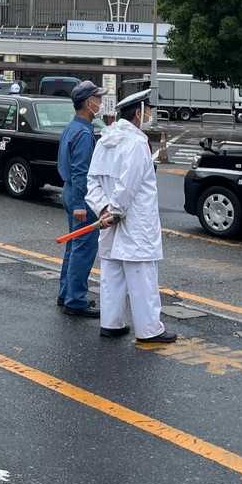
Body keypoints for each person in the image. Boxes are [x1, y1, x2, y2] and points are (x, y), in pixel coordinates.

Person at [87, 89, 175, 343]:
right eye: (148, 112)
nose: (149, 116)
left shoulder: (105, 140)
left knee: (112, 273)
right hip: (134, 221)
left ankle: (111, 323)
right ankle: (149, 329)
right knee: (142, 276)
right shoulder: (136, 143)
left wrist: (103, 209)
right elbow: (129, 185)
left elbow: (92, 181)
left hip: (108, 219)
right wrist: (115, 211)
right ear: (138, 113)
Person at [56, 80, 107, 318]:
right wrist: (80, 205)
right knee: (83, 249)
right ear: (88, 103)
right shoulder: (84, 133)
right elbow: (81, 172)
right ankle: (75, 300)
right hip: (81, 196)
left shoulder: (72, 127)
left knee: (73, 246)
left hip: (69, 190)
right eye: (98, 98)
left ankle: (66, 293)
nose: (101, 103)